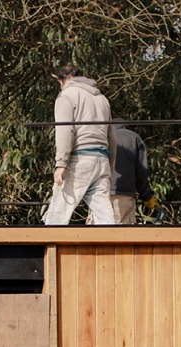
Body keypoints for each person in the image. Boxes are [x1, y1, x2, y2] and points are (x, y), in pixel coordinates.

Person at [42, 63, 116, 226]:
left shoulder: (67, 95)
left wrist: (61, 164)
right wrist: (110, 168)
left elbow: (65, 130)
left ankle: (49, 249)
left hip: (80, 160)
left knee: (58, 213)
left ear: (61, 81)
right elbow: (112, 138)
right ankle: (113, 247)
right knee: (105, 217)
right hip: (102, 161)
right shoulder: (102, 99)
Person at [107, 123, 150, 225]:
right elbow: (141, 171)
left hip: (99, 194)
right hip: (124, 194)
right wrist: (146, 196)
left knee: (96, 233)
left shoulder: (102, 135)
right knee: (123, 234)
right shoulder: (133, 137)